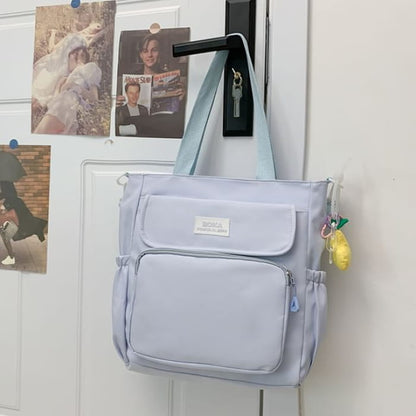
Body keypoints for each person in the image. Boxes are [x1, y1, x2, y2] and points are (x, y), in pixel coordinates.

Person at [34, 46, 102, 134]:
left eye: (69, 58)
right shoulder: (68, 78)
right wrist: (59, 86)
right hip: (66, 111)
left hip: (69, 103)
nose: (67, 63)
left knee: (41, 135)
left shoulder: (89, 67)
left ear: (79, 55)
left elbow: (94, 98)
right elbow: (54, 103)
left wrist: (73, 86)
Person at [0, 198, 19, 265]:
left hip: (10, 223)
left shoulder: (5, 203)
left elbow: (4, 210)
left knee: (6, 239)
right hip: (6, 223)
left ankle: (11, 257)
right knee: (5, 238)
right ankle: (11, 254)